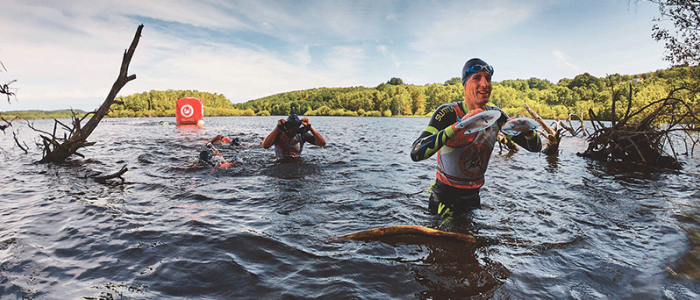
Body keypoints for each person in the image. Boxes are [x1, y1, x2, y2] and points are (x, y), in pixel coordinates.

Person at [410, 58, 542, 218]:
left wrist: (528, 131)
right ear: (465, 85)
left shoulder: (496, 116)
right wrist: (458, 126)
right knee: (444, 242)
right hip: (444, 199)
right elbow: (416, 153)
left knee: (475, 241)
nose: (485, 84)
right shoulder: (448, 113)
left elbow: (535, 148)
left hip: (473, 198)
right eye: (477, 78)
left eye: (488, 79)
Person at [262, 114, 326, 159]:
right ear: (287, 127)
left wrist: (310, 127)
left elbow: (322, 143)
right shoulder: (279, 134)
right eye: (291, 128)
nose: (293, 131)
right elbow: (265, 146)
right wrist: (277, 128)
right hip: (280, 163)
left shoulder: (302, 135)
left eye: (295, 128)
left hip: (296, 162)